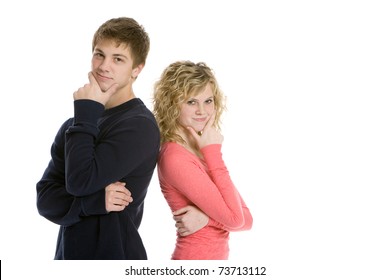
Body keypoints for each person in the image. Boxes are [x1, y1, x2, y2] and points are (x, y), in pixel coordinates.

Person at [36, 17, 160, 260]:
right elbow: (45, 199)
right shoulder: (77, 124)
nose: (104, 66)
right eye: (99, 54)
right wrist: (92, 202)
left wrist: (85, 112)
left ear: (137, 69)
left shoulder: (139, 125)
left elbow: (79, 182)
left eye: (118, 59)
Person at [153, 61, 253, 260]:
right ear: (172, 104)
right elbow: (234, 220)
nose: (202, 111)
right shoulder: (175, 157)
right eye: (191, 102)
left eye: (208, 101)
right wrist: (214, 153)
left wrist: (206, 220)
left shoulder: (199, 149)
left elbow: (247, 220)